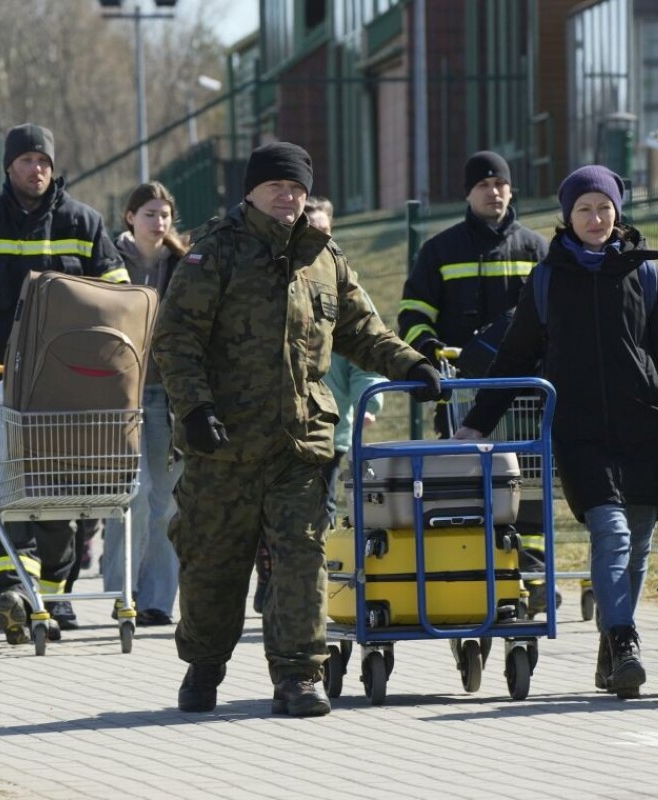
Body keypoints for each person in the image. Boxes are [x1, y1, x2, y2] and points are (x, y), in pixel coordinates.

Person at [152, 142, 443, 717]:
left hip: (300, 443)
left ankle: (299, 676)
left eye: (297, 188)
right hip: (223, 446)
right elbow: (175, 341)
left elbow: (363, 330)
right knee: (214, 562)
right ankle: (204, 665)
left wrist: (411, 365)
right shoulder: (215, 254)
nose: (288, 196)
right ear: (251, 192)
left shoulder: (323, 257)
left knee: (301, 559)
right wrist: (195, 410)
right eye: (276, 187)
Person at [454, 165, 658, 698]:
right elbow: (514, 357)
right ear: (567, 218)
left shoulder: (645, 276)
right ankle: (624, 639)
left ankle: (611, 652)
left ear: (618, 211)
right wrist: (477, 420)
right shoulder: (547, 279)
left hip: (648, 431)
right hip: (581, 433)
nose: (596, 218)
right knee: (611, 534)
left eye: (604, 207)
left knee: (638, 544)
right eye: (584, 209)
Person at [0, 123, 127, 645]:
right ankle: (13, 593)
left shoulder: (84, 224)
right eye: (25, 161)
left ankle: (43, 595)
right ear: (8, 167)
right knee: (3, 495)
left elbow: (119, 299)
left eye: (43, 161)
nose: (36, 170)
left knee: (62, 501)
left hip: (68, 393)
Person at [396, 149, 555, 613]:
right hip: (462, 393)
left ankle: (531, 569)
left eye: (501, 183)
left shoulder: (536, 250)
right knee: (466, 483)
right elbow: (412, 313)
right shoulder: (440, 251)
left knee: (526, 479)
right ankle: (474, 567)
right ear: (468, 192)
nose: (494, 191)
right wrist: (426, 349)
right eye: (484, 184)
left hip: (525, 396)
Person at [251, 195, 386, 614]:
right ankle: (271, 569)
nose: (320, 238)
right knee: (267, 511)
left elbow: (370, 347)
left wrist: (370, 402)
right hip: (275, 423)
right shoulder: (271, 280)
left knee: (317, 513)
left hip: (332, 427)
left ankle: (306, 596)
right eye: (313, 230)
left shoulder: (342, 283)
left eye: (326, 231)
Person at [99, 181, 188, 628]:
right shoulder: (110, 260)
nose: (159, 223)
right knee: (130, 496)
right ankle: (121, 591)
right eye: (150, 214)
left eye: (165, 214)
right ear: (130, 217)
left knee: (168, 500)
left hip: (168, 397)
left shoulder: (184, 264)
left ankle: (157, 601)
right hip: (120, 397)